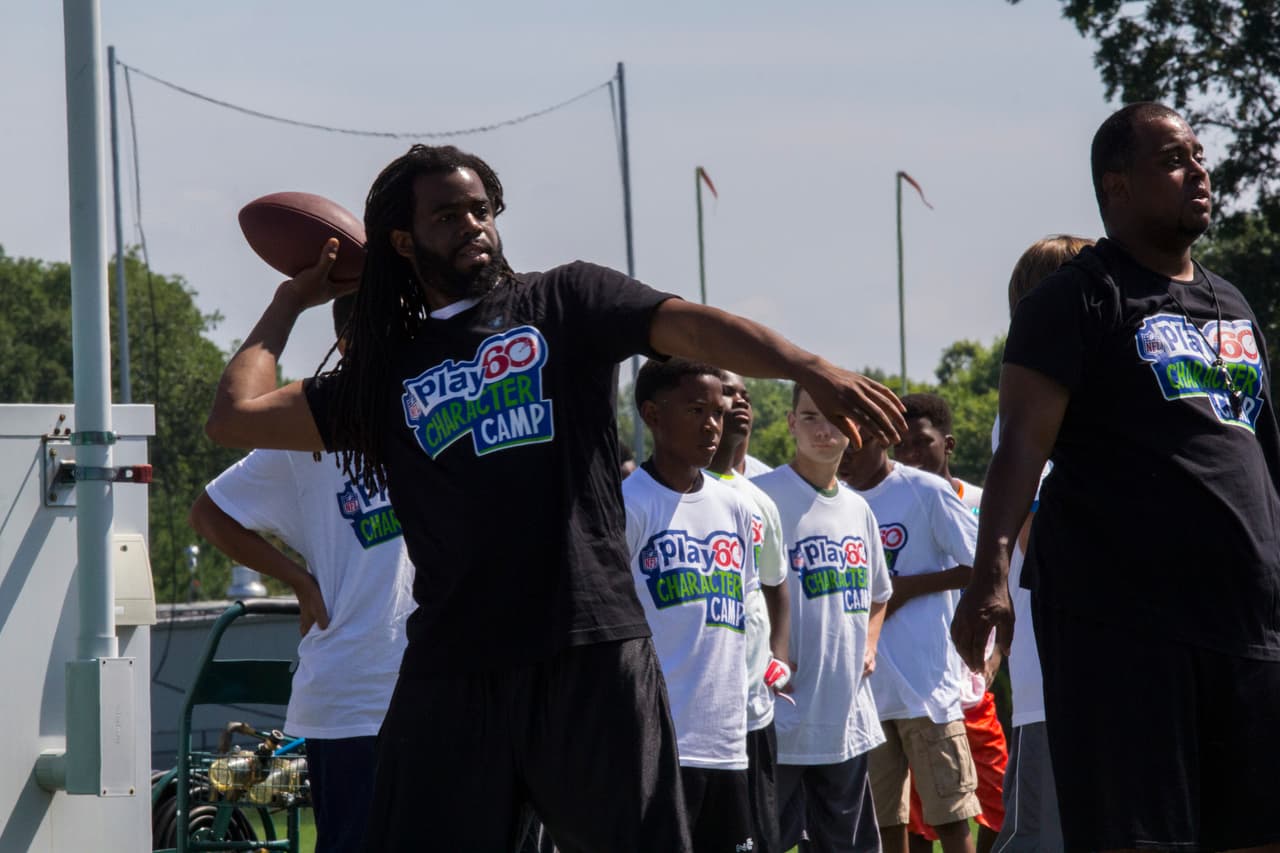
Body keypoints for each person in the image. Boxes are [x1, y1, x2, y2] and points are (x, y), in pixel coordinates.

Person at [203, 143, 907, 852]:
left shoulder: (564, 301)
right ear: (402, 240)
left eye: (482, 210)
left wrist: (804, 364)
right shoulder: (387, 370)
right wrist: (291, 299)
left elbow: (689, 324)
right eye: (448, 215)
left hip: (589, 647)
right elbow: (234, 415)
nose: (474, 225)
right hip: (454, 665)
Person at [951, 103, 1280, 852]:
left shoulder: (1232, 303)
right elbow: (1020, 447)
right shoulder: (1075, 298)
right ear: (1118, 186)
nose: (1198, 169)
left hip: (1247, 626)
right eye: (1173, 158)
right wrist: (990, 574)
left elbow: (1260, 455)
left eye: (1199, 154)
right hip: (1125, 625)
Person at [189, 294, 416, 853]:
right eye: (380, 331)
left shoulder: (437, 409)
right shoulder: (308, 433)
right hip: (355, 693)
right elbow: (210, 512)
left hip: (450, 684)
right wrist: (298, 579)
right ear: (344, 344)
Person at [624, 358, 760, 852]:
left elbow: (745, 597)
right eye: (696, 410)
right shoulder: (628, 505)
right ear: (653, 416)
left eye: (719, 412)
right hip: (655, 744)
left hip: (726, 742)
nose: (712, 425)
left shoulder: (737, 507)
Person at [987, 235, 1092, 853]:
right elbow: (1038, 532)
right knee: (1039, 839)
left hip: (1114, 679)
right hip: (1057, 679)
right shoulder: (1024, 407)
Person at [754, 385, 892, 853]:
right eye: (810, 417)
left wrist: (870, 643)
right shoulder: (760, 498)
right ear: (791, 423)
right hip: (778, 715)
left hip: (843, 716)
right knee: (762, 840)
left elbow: (879, 595)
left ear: (853, 429)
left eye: (834, 418)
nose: (823, 429)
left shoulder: (859, 508)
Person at [839, 433, 981, 853]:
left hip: (927, 692)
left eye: (854, 445)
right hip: (866, 694)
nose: (844, 455)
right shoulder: (837, 500)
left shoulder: (925, 491)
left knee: (952, 820)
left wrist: (905, 588)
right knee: (884, 826)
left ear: (882, 438)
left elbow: (981, 565)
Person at [891, 393, 1007, 853]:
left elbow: (1002, 584)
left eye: (922, 442)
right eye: (901, 445)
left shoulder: (983, 502)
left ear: (949, 443)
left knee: (998, 795)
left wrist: (998, 654)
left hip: (970, 678)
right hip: (919, 678)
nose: (911, 454)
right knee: (922, 813)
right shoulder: (892, 500)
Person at [706, 370, 792, 853]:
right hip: (690, 708)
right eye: (726, 392)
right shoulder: (677, 488)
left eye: (745, 394)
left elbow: (777, 586)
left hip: (753, 707)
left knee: (755, 835)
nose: (738, 401)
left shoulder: (760, 499)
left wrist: (777, 657)